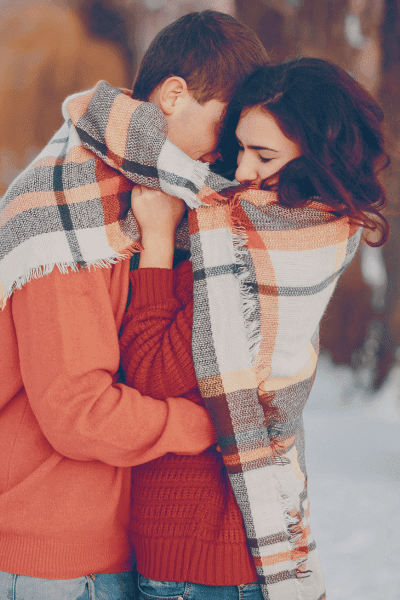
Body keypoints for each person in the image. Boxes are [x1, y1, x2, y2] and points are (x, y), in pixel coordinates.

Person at [0, 11, 268, 600]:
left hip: (95, 549)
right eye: (223, 129)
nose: (225, 157)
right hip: (55, 559)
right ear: (174, 96)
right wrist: (209, 425)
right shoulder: (67, 207)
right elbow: (79, 412)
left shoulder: (132, 199)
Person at [119, 58, 389, 600]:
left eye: (264, 155)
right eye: (238, 148)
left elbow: (150, 369)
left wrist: (155, 240)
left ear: (318, 155)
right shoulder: (319, 224)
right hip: (230, 541)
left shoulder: (244, 243)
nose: (242, 170)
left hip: (200, 551)